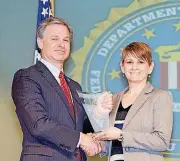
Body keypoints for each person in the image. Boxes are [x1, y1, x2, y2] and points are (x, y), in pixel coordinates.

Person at [11, 17, 112, 161]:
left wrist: (98, 112)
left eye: (65, 40)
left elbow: (79, 127)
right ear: (40, 42)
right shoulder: (27, 78)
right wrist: (82, 139)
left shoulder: (74, 86)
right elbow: (38, 124)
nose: (61, 45)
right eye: (54, 39)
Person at [93, 42, 173, 161]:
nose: (134, 67)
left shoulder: (160, 96)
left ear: (150, 67)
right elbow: (110, 145)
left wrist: (121, 135)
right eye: (129, 62)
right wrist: (95, 138)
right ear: (122, 67)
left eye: (140, 62)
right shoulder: (113, 100)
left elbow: (162, 141)